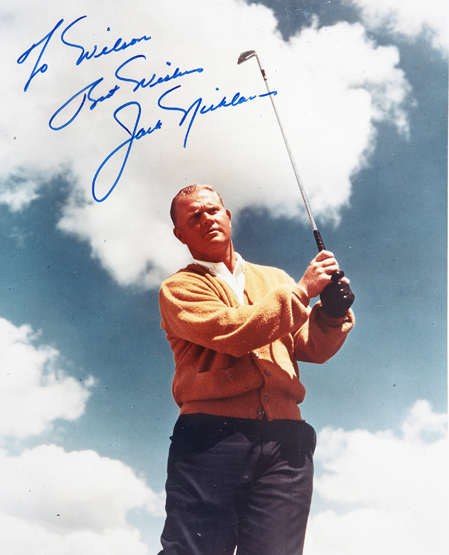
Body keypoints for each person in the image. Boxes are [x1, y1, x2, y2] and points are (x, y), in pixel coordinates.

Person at [157, 184, 354, 555]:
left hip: (287, 442)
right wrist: (302, 293)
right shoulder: (179, 288)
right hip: (210, 441)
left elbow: (311, 346)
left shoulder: (276, 279)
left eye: (212, 211)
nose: (206, 219)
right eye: (193, 217)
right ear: (179, 234)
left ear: (227, 216)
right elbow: (233, 331)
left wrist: (331, 311)